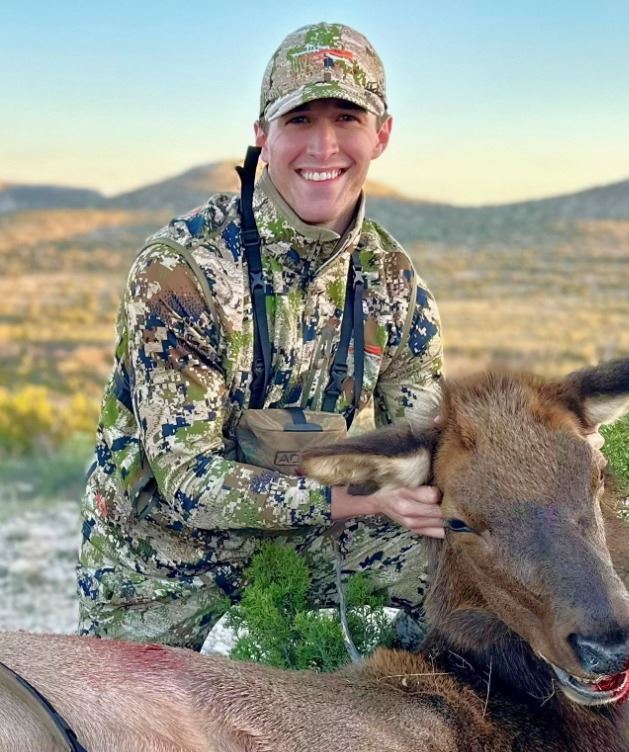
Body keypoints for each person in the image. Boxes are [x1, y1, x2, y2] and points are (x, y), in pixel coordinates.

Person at [77, 21, 447, 651]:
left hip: (318, 535)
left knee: (470, 569)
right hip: (167, 556)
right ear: (262, 135)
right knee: (121, 709)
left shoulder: (393, 282)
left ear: (381, 135)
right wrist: (358, 498)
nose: (323, 146)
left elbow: (426, 446)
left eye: (347, 119)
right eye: (299, 120)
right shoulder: (181, 270)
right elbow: (188, 481)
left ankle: (418, 704)